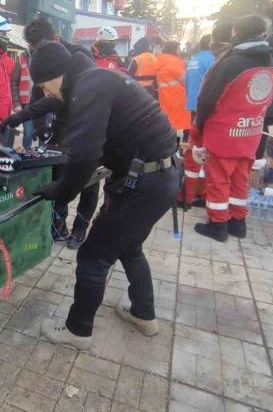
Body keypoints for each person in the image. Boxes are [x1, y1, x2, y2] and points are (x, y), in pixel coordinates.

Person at [28, 42, 178, 349]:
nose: (46, 93)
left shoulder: (89, 85)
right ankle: (143, 315)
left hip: (145, 182)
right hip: (162, 175)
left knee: (93, 256)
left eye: (44, 86)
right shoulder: (98, 77)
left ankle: (77, 330)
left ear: (57, 75)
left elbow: (84, 155)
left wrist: (61, 192)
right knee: (129, 245)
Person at [1, 17, 98, 249]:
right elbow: (39, 96)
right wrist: (40, 125)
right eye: (32, 49)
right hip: (61, 124)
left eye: (38, 48)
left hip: (88, 123)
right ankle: (58, 223)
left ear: (54, 39)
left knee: (90, 176)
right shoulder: (45, 62)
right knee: (58, 171)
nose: (35, 53)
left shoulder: (79, 59)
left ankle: (80, 227)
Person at [192, 15, 273, 242]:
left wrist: (199, 127)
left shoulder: (230, 62)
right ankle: (238, 222)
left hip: (224, 133)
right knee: (240, 178)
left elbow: (207, 99)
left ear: (236, 34)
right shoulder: (270, 62)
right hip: (251, 131)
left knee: (218, 180)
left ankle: (217, 224)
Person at [179, 34, 215, 209]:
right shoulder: (213, 60)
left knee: (194, 150)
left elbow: (186, 82)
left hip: (194, 106)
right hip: (208, 110)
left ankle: (187, 195)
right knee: (207, 151)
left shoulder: (194, 59)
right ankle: (200, 193)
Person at [154, 41, 190, 133]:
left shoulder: (160, 61)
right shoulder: (173, 62)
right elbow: (186, 80)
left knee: (168, 123)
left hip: (165, 97)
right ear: (174, 49)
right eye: (178, 48)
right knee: (178, 126)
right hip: (177, 98)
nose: (180, 51)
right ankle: (177, 145)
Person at [11, 47, 35, 149]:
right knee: (28, 133)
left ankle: (44, 161)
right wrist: (16, 104)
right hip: (27, 104)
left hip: (44, 102)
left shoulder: (46, 56)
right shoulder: (21, 59)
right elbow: (13, 83)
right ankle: (26, 155)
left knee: (44, 133)